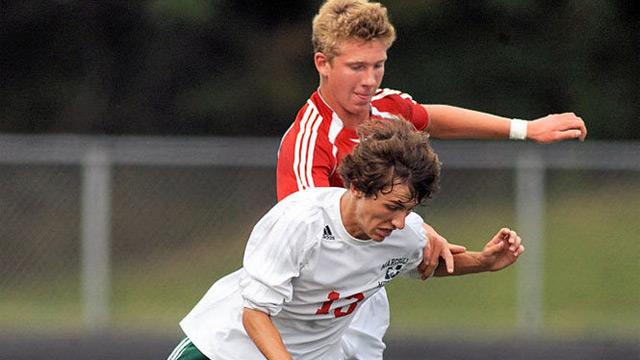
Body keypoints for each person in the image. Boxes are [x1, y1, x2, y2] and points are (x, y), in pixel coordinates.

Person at [276, 0, 587, 358]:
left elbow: (430, 118)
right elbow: (315, 233)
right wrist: (416, 229)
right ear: (323, 64)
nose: (369, 80)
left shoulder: (386, 108)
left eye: (378, 65)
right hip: (309, 311)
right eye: (356, 67)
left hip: (363, 305)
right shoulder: (309, 141)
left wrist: (525, 129)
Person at [169, 118, 524, 360]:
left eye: (409, 209)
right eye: (392, 207)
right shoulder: (301, 222)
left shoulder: (404, 233)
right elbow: (255, 313)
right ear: (357, 187)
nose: (401, 222)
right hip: (225, 348)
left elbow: (425, 262)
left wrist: (486, 262)